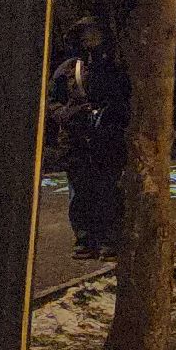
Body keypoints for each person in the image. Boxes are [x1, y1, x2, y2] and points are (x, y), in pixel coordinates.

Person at [47, 17, 128, 259]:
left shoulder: (115, 69)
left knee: (109, 191)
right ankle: (84, 239)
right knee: (80, 192)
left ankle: (109, 240)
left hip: (108, 140)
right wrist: (69, 114)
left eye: (95, 34)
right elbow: (52, 102)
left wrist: (110, 116)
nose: (91, 39)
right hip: (76, 141)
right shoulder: (68, 69)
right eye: (86, 34)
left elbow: (127, 101)